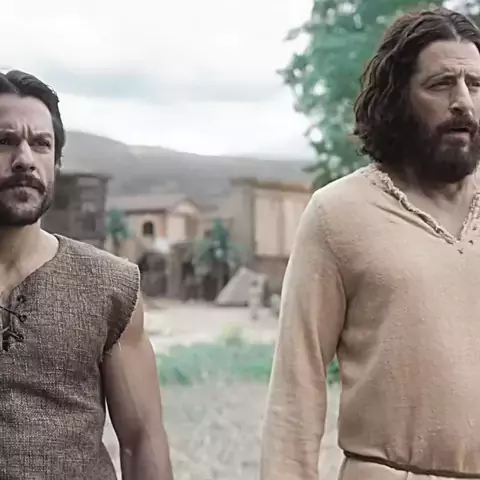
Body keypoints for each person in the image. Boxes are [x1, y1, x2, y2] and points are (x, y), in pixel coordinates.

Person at [261, 7, 480, 480]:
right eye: (442, 84)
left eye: (476, 85)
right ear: (399, 99)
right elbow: (297, 385)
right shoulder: (338, 213)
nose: (463, 101)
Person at [0, 70, 173, 479]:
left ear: (56, 163)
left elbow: (142, 440)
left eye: (41, 144)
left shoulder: (109, 286)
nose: (25, 159)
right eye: (4, 141)